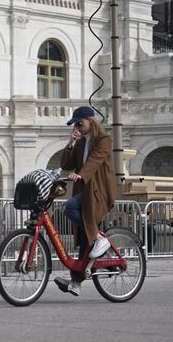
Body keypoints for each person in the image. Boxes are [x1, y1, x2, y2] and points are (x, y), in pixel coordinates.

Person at [54, 106, 116, 296]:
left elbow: (95, 160)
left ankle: (100, 238)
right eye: (75, 125)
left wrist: (81, 175)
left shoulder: (103, 139)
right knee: (83, 237)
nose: (78, 127)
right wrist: (71, 142)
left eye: (80, 123)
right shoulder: (81, 141)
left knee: (70, 207)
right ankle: (76, 283)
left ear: (91, 121)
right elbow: (66, 164)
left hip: (99, 191)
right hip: (86, 191)